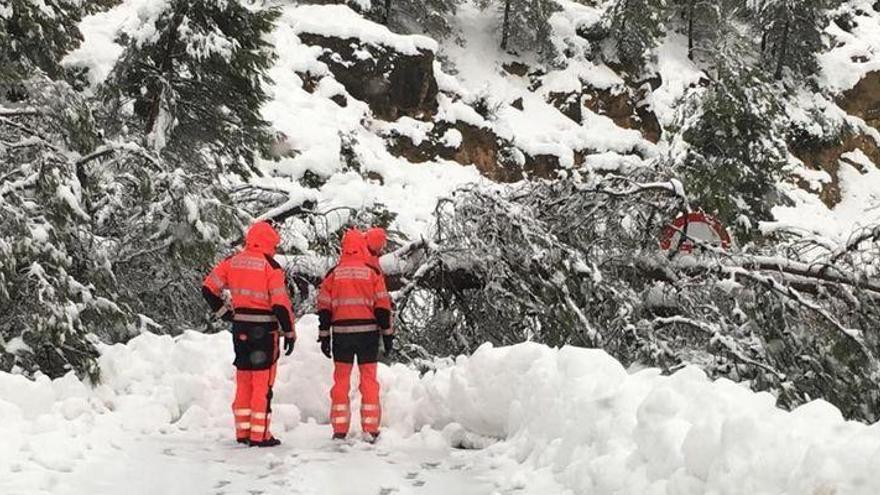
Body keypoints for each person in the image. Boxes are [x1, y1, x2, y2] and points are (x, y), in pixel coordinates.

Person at [201, 221, 296, 448]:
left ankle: (242, 431)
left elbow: (208, 288)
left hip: (240, 328)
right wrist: (290, 332)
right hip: (264, 331)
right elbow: (280, 304)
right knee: (262, 383)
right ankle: (259, 435)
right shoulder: (270, 266)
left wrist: (225, 313)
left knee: (244, 380)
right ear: (269, 242)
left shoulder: (232, 262)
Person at [317, 229, 393, 441]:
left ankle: (339, 428)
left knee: (340, 381)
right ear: (362, 245)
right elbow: (382, 307)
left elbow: (324, 308)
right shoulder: (372, 272)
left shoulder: (334, 274)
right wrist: (387, 336)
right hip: (367, 335)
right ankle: (370, 428)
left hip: (341, 335)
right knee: (369, 380)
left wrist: (324, 336)